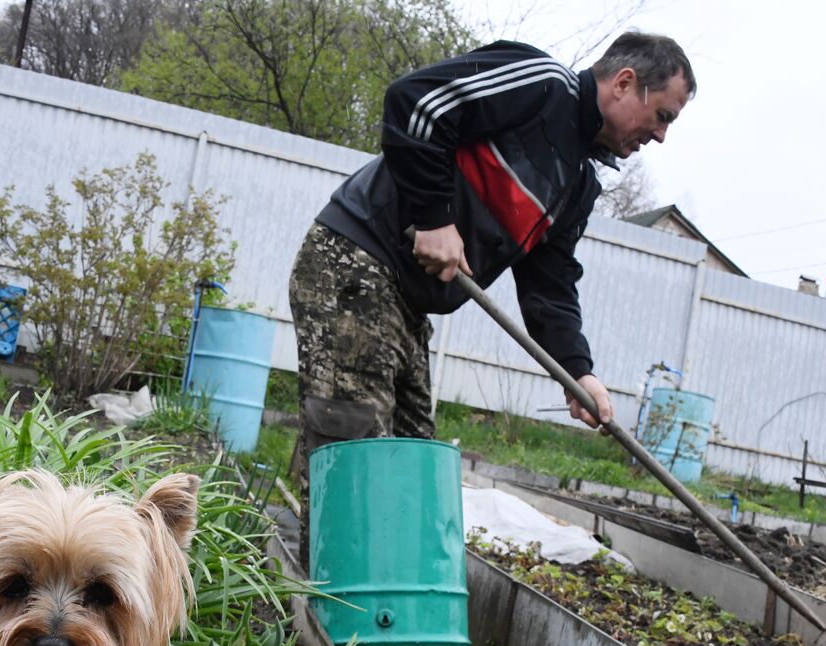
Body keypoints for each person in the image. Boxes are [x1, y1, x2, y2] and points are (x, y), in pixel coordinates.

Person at [289, 31, 694, 569]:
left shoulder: (576, 183)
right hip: (356, 261)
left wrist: (578, 370)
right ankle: (329, 628)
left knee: (412, 466)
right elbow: (416, 102)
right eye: (663, 116)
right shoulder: (539, 87)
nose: (661, 136)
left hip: (405, 303)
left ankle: (393, 629)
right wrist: (434, 218)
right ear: (625, 84)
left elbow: (551, 284)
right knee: (355, 452)